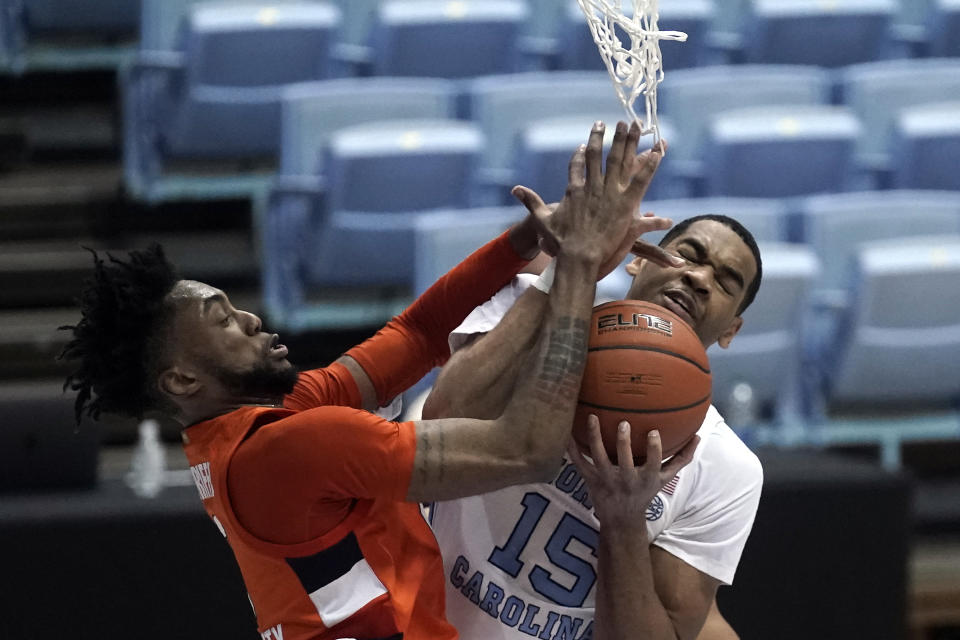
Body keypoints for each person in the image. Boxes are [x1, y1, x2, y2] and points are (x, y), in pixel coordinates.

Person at [59, 121, 669, 640]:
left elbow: (420, 333)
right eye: (223, 320)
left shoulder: (260, 428)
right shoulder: (289, 450)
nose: (248, 318)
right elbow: (526, 449)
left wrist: (532, 241)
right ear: (183, 380)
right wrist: (578, 268)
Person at [421, 204, 765, 639]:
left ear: (731, 330)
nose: (699, 278)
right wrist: (569, 272)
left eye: (725, 282)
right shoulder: (533, 308)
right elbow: (440, 419)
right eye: (689, 255)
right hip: (414, 620)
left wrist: (623, 520)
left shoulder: (726, 468)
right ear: (639, 259)